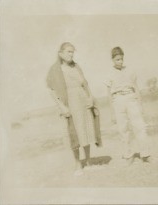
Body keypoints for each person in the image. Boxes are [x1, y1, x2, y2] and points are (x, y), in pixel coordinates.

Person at [46, 42, 102, 176]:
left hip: (83, 99)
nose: (71, 54)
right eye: (68, 52)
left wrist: (90, 98)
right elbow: (51, 90)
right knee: (75, 132)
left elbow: (85, 83)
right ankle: (78, 165)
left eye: (72, 52)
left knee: (86, 130)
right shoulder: (56, 69)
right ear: (61, 53)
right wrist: (62, 106)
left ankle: (88, 162)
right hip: (70, 102)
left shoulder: (76, 66)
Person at [104, 47, 150, 164]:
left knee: (139, 126)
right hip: (118, 100)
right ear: (112, 60)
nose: (120, 62)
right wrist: (112, 112)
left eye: (121, 59)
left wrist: (140, 104)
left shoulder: (130, 70)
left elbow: (136, 87)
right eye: (117, 59)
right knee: (123, 129)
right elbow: (108, 93)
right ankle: (128, 155)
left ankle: (145, 154)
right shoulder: (109, 73)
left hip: (131, 98)